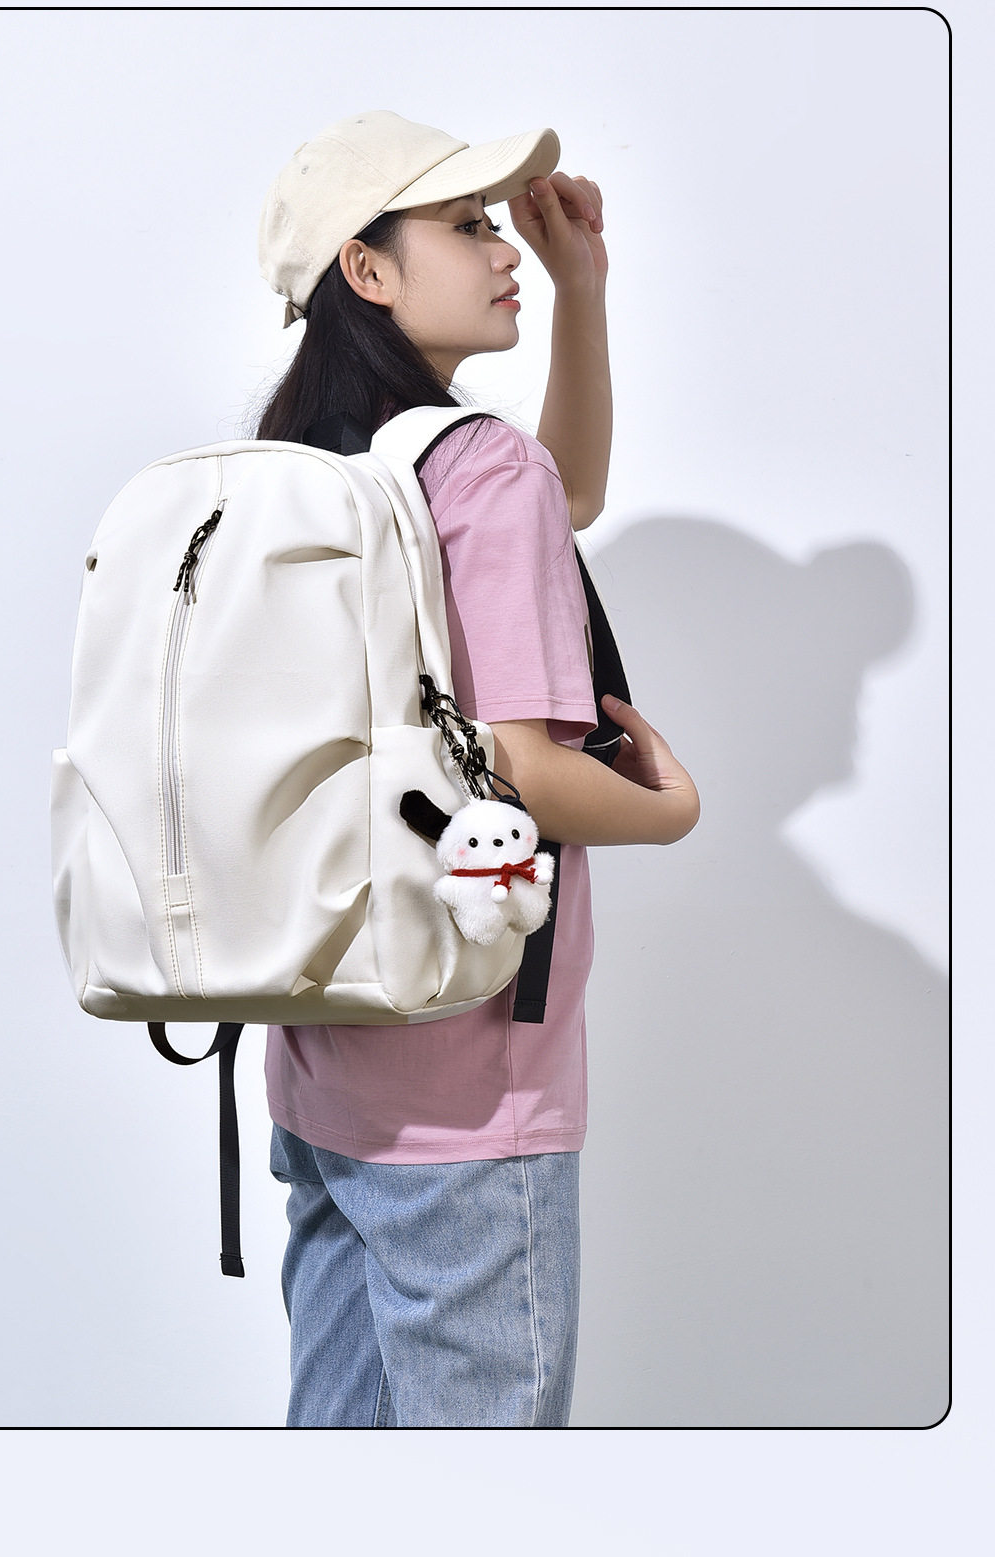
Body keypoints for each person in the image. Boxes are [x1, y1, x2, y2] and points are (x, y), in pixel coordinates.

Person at [252, 110, 700, 1428]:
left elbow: (565, 499)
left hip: (323, 1057)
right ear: (367, 269)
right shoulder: (471, 466)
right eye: (467, 225)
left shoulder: (304, 470)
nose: (505, 249)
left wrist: (582, 292)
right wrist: (671, 810)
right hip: (470, 1076)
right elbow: (523, 771)